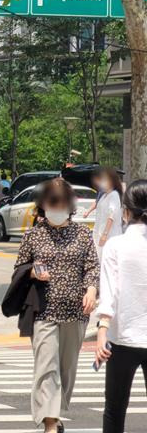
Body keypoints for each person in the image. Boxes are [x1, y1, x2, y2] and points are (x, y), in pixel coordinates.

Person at [14, 178, 99, 433]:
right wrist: (33, 271)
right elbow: (20, 267)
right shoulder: (32, 235)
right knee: (46, 366)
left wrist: (92, 289)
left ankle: (56, 413)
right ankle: (50, 423)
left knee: (67, 368)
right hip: (43, 310)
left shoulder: (83, 234)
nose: (57, 208)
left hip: (76, 311)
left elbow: (92, 266)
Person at [95, 179, 147, 433]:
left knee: (114, 411)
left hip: (121, 338)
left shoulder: (115, 245)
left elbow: (109, 293)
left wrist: (101, 333)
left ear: (126, 212)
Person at [92, 167, 123, 258]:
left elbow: (111, 215)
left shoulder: (114, 195)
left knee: (107, 258)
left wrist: (105, 235)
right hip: (99, 232)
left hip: (109, 235)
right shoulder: (104, 196)